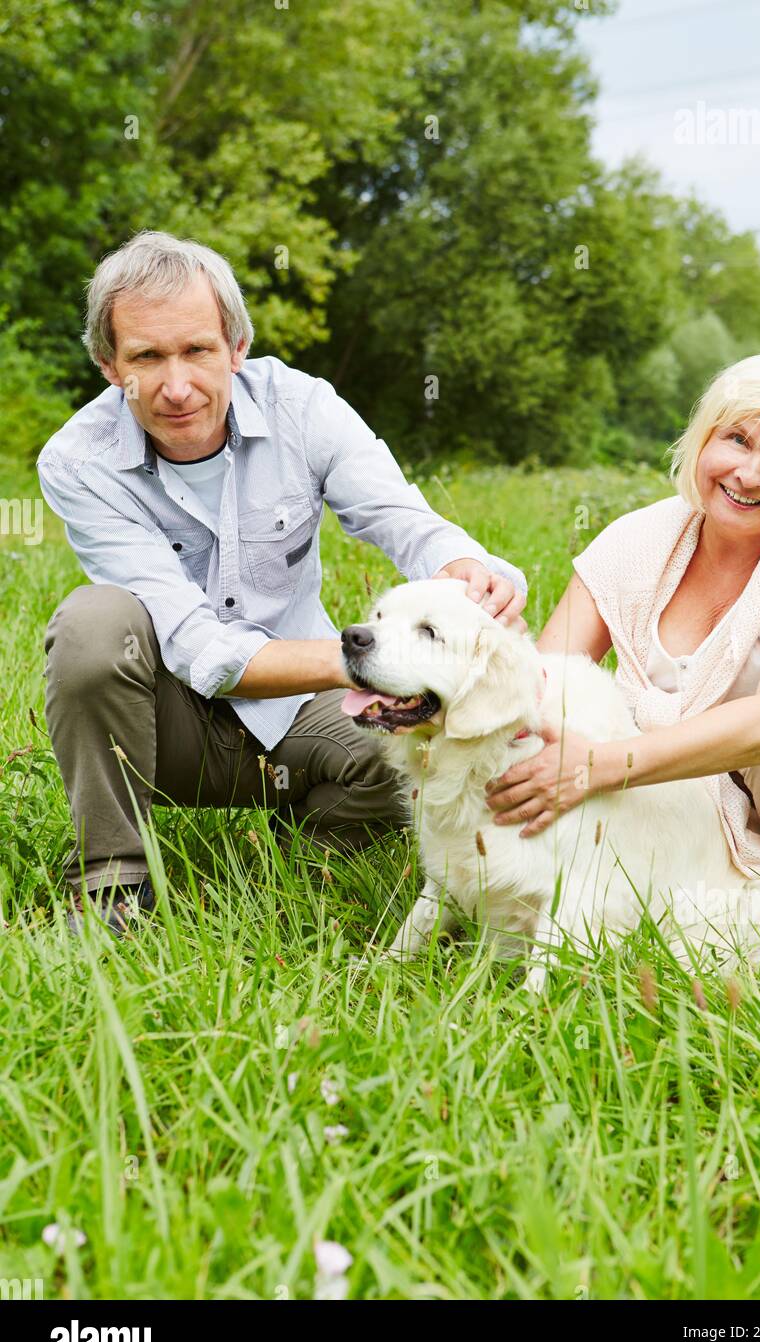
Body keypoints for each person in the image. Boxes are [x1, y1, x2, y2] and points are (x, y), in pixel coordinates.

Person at [37, 230, 526, 935]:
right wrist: (373, 661)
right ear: (110, 366)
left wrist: (461, 568)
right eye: (147, 356)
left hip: (300, 709)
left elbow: (403, 519)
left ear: (236, 348)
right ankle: (113, 885)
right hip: (163, 720)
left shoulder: (304, 407)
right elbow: (202, 649)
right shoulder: (78, 463)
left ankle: (303, 861)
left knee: (420, 764)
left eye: (198, 350)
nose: (177, 385)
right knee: (92, 623)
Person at [486, 353, 760, 928]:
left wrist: (601, 765)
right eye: (737, 439)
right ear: (702, 439)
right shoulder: (637, 540)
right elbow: (546, 682)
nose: (749, 474)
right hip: (695, 798)